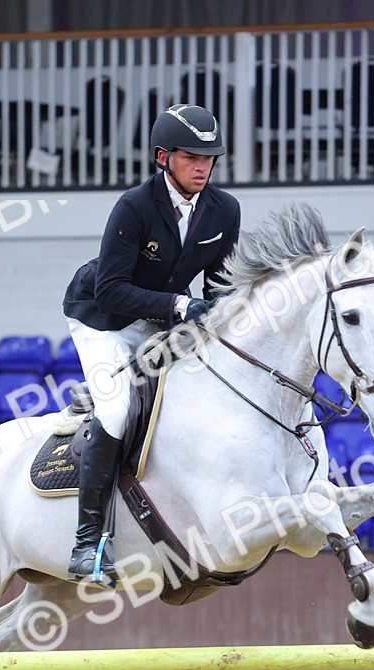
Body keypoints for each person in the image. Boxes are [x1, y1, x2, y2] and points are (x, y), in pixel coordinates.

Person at [62, 103, 241, 584]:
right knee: (118, 408)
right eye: (191, 157)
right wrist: (182, 308)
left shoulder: (224, 210)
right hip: (104, 319)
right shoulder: (135, 207)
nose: (202, 166)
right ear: (164, 157)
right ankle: (89, 544)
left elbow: (218, 289)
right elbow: (110, 289)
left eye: (210, 158)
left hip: (158, 321)